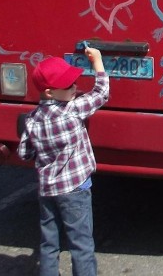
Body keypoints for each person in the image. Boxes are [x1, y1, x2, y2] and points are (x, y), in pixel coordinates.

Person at [18, 48, 110, 276]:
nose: (75, 87)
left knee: (49, 243)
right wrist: (98, 62)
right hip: (76, 190)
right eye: (69, 86)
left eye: (75, 82)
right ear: (49, 92)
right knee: (81, 244)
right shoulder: (73, 111)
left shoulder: (31, 120)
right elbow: (101, 93)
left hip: (47, 191)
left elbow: (24, 153)